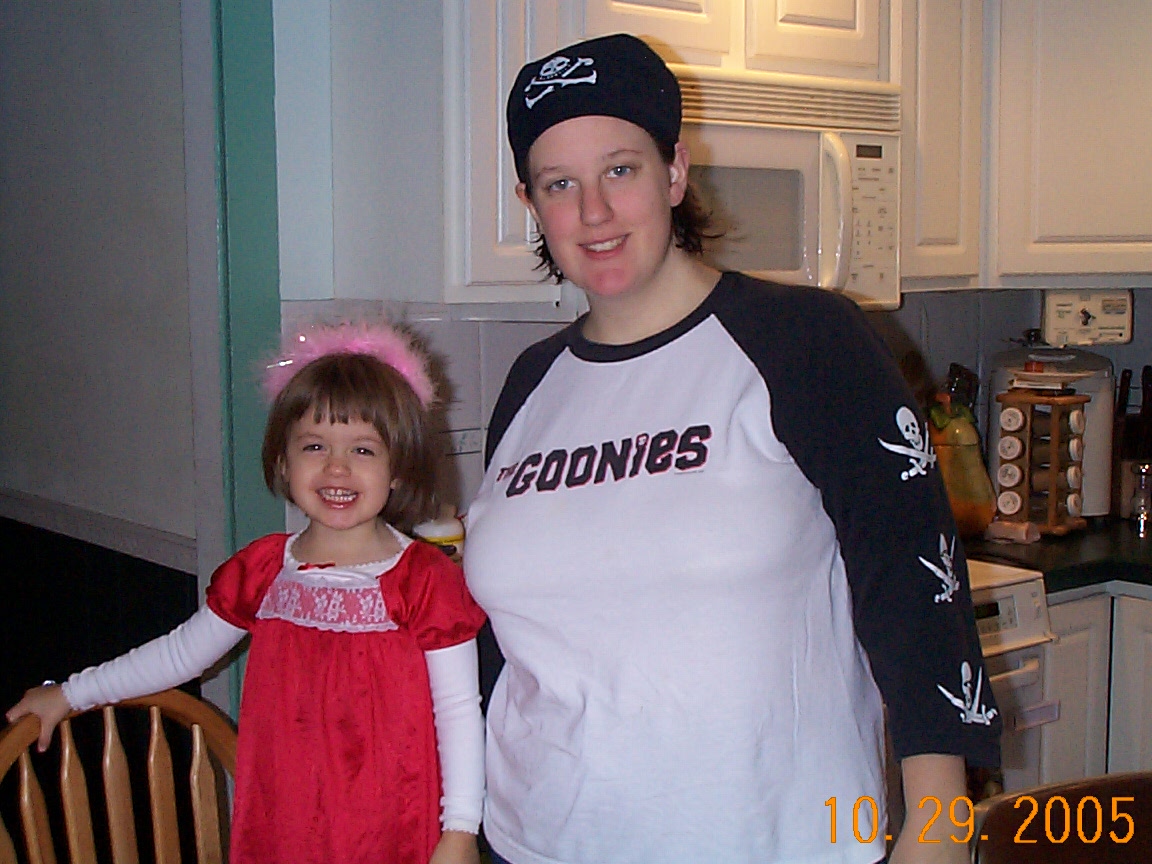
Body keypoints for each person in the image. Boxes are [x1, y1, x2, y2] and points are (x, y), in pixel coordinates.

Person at [462, 33, 1001, 864]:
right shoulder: (533, 383)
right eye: (559, 183)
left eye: (620, 169)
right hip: (532, 844)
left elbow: (913, 583)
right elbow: (504, 648)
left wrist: (939, 830)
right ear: (530, 204)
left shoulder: (807, 341)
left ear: (675, 172)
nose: (593, 212)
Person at [6, 322, 488, 864]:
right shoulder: (261, 571)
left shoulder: (424, 581)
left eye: (363, 449)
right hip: (282, 824)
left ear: (399, 469)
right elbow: (181, 654)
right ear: (283, 461)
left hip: (392, 827)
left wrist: (460, 830)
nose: (336, 467)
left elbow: (457, 711)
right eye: (314, 446)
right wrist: (71, 693)